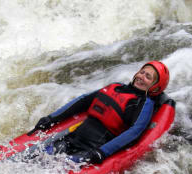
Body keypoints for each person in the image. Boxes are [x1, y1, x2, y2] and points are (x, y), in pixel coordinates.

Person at [28, 61, 170, 165]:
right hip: (72, 139)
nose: (141, 76)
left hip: (90, 149)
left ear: (156, 87)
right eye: (142, 72)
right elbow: (82, 101)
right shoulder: (115, 86)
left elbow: (134, 132)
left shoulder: (143, 103)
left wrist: (103, 152)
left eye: (148, 77)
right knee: (34, 159)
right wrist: (51, 119)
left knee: (51, 170)